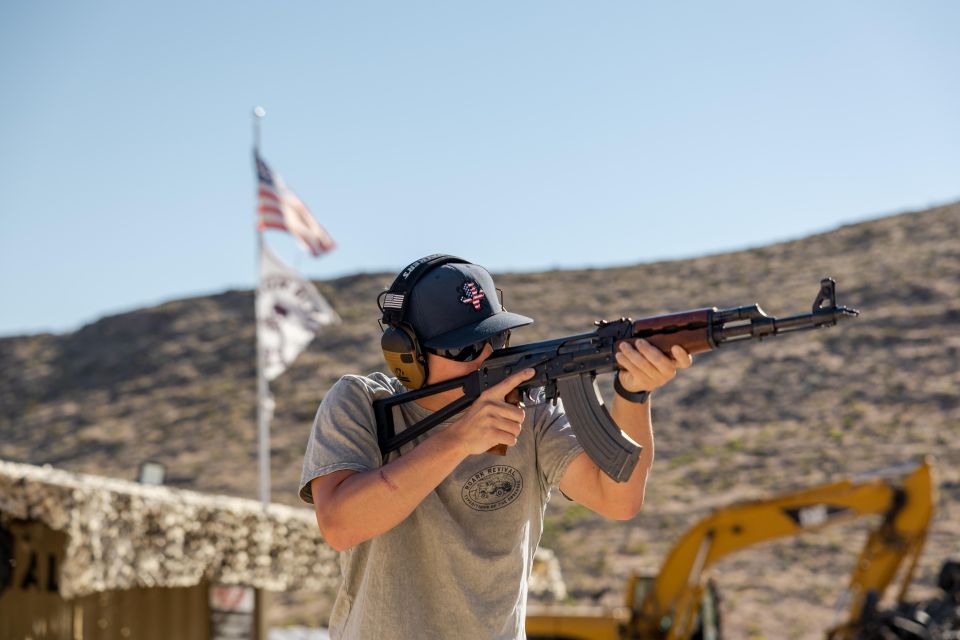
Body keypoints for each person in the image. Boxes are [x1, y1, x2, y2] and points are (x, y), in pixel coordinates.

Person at [299, 255, 693, 639]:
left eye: (496, 338)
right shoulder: (360, 403)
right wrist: (458, 440)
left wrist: (634, 394)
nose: (487, 358)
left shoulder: (532, 409)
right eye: (464, 349)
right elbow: (340, 524)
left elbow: (617, 499)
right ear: (406, 355)